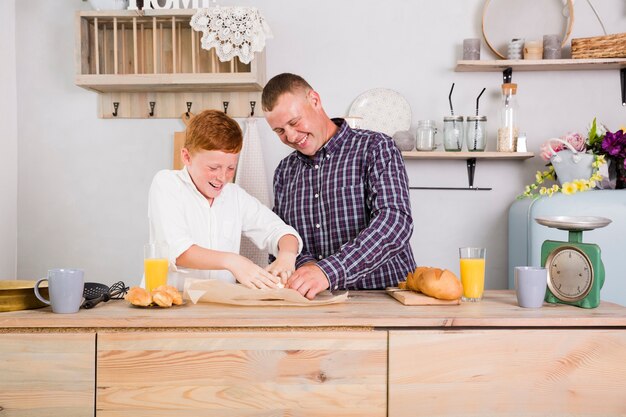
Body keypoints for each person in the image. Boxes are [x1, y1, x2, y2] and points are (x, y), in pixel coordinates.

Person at [262, 73, 416, 299]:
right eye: (280, 131)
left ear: (315, 100)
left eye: (294, 122)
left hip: (384, 297)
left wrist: (327, 272)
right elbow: (283, 236)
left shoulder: (376, 147)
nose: (292, 136)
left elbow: (394, 223)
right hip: (316, 302)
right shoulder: (285, 172)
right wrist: (307, 270)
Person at [148, 109, 302, 290]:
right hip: (171, 306)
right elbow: (178, 251)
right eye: (214, 167)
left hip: (220, 309)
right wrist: (233, 262)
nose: (222, 177)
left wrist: (286, 256)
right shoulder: (167, 184)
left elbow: (280, 231)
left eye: (231, 168)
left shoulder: (234, 196)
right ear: (187, 157)